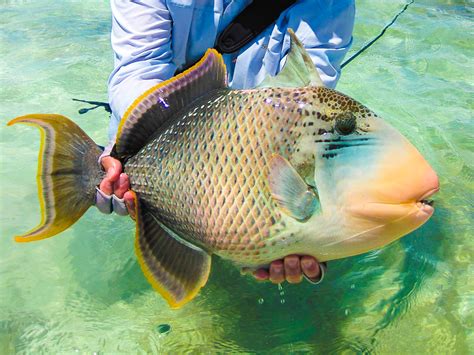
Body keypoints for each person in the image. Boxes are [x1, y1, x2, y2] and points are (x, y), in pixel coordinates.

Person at [98, 0, 355, 285]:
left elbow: (305, 107)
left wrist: (311, 233)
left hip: (257, 165)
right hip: (169, 144)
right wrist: (130, 151)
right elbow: (139, 71)